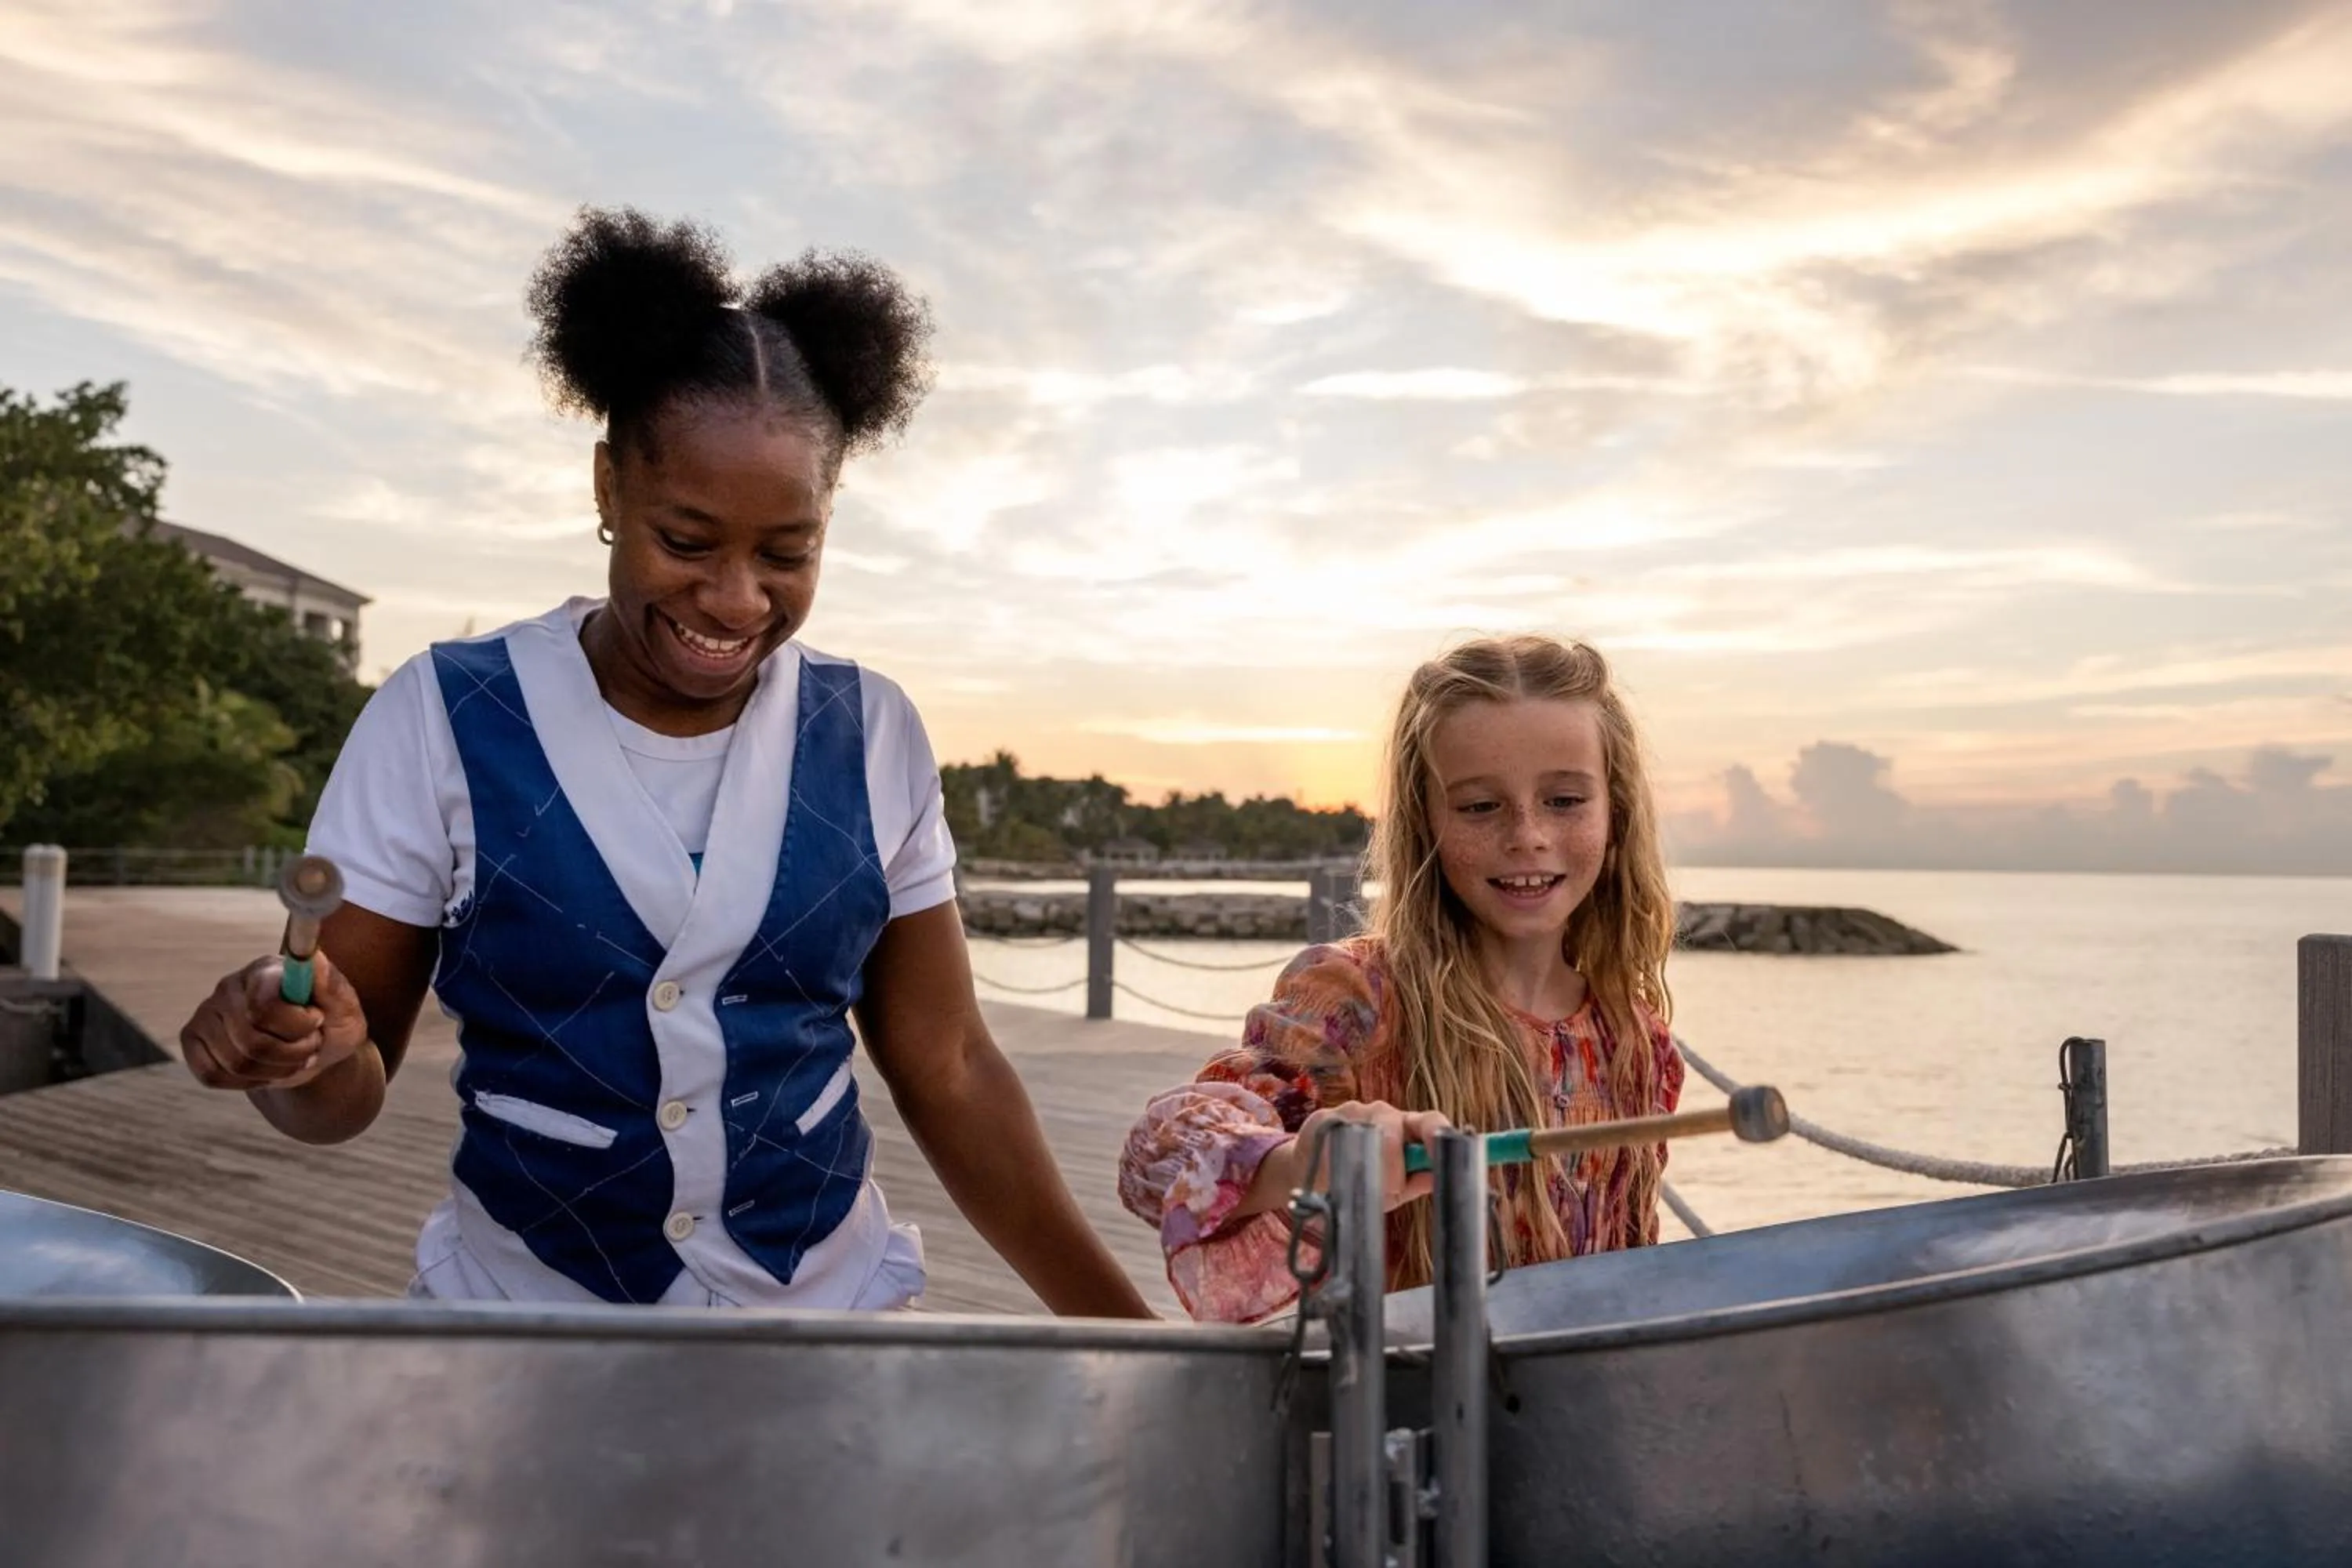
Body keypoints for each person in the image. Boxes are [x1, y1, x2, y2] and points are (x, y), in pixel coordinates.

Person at [176, 206, 1152, 1317]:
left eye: (789, 552)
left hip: (826, 1322)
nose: (736, 600)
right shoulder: (440, 718)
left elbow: (952, 1065)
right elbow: (341, 1098)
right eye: (686, 543)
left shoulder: (873, 731)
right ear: (608, 490)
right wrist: (297, 1057)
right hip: (522, 1322)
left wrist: (1123, 1336)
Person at [1118, 635, 1684, 1322]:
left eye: (1565, 800)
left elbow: (1634, 1274)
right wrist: (1303, 1160)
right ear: (1425, 825)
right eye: (1480, 807)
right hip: (1391, 1410)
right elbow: (1156, 1159)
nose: (1528, 834)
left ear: (1615, 812)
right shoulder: (1356, 1000)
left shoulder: (1636, 1041)